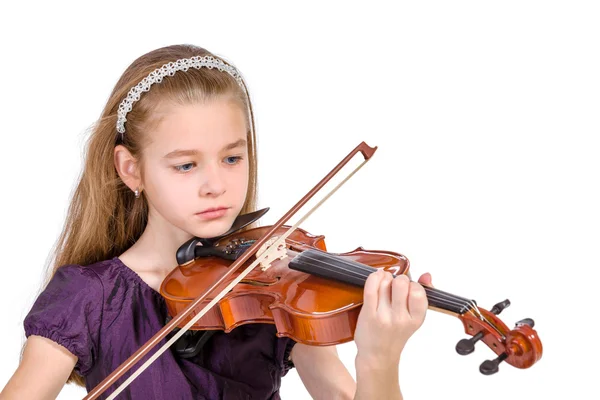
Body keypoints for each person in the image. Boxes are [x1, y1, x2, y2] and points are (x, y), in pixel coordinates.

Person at [0, 44, 432, 400]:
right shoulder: (89, 297)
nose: (216, 185)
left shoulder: (275, 291)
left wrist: (379, 359)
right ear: (131, 169)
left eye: (231, 157)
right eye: (186, 165)